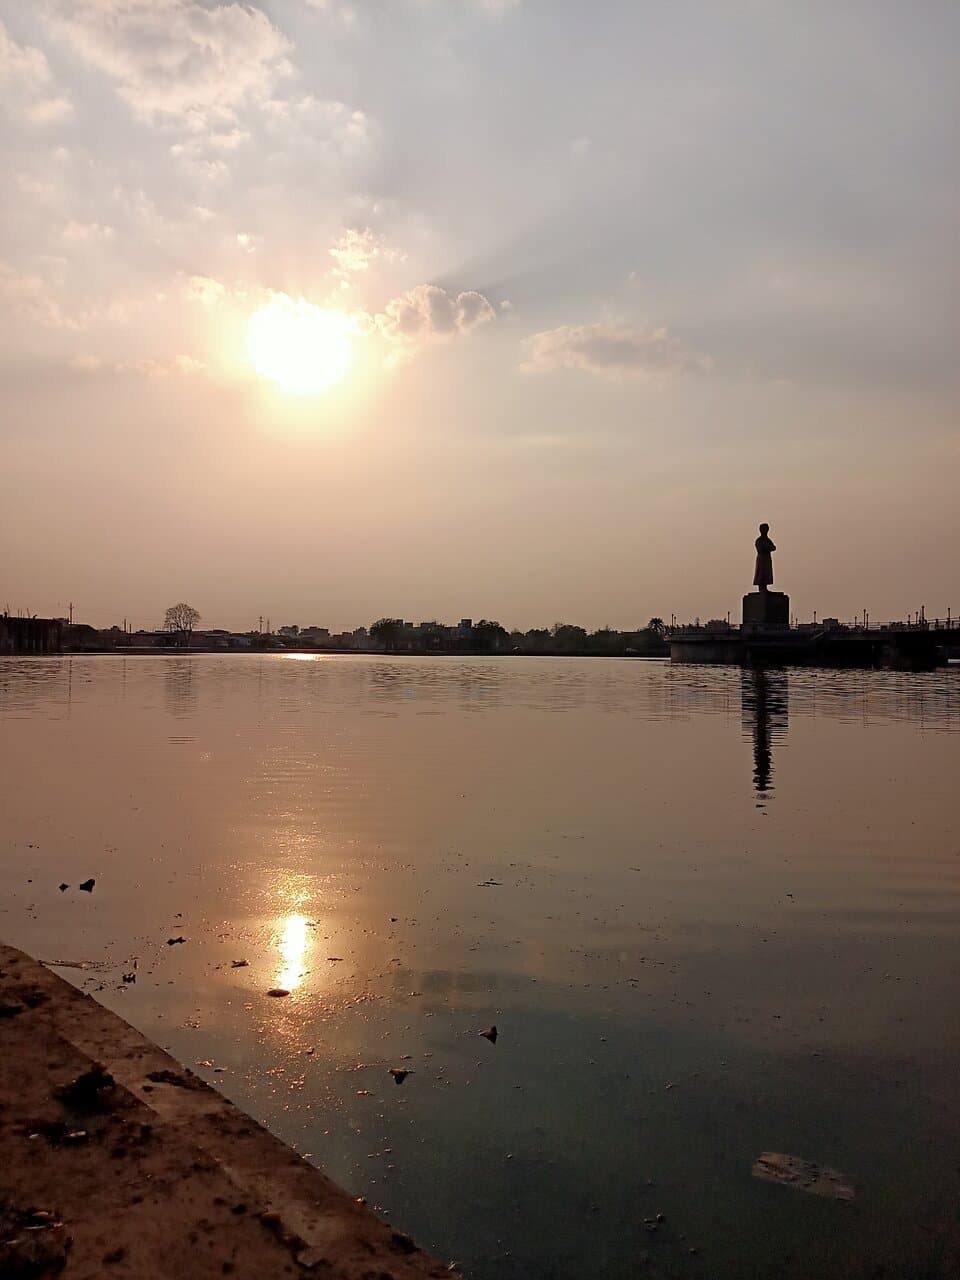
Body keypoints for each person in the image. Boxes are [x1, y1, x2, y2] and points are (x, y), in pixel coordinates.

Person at [753, 523, 775, 591]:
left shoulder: (768, 540)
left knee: (766, 573)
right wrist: (767, 547)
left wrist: (768, 547)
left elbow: (773, 547)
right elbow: (761, 548)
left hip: (767, 559)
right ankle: (761, 587)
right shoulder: (759, 540)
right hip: (762, 559)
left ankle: (764, 587)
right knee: (761, 573)